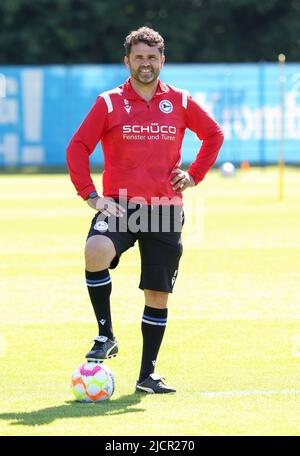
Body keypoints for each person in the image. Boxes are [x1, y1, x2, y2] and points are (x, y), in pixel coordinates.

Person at [66, 26, 224, 394]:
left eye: (152, 57)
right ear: (127, 61)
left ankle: (147, 377)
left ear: (162, 61)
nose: (146, 64)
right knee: (95, 252)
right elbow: (78, 147)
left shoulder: (181, 101)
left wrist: (194, 174)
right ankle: (106, 335)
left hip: (165, 209)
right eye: (139, 57)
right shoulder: (108, 102)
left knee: (157, 295)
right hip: (119, 205)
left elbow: (213, 134)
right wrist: (90, 194)